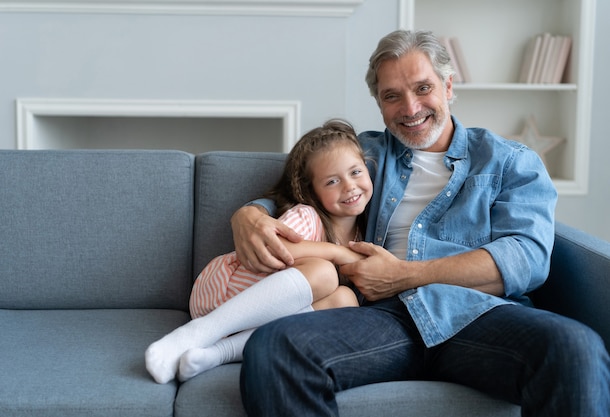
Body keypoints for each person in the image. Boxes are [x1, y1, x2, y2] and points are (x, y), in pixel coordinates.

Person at [232, 30, 610, 416]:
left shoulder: (509, 161)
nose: (410, 108)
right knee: (274, 348)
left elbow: (525, 259)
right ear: (379, 104)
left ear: (448, 86)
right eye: (392, 96)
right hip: (381, 320)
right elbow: (303, 189)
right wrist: (249, 215)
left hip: (478, 315)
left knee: (575, 349)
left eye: (423, 88)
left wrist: (404, 275)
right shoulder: (368, 155)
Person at [145, 119, 372, 384]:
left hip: (263, 319)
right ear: (311, 192)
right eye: (332, 181)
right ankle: (197, 333)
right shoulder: (307, 216)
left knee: (345, 301)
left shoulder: (364, 235)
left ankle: (216, 353)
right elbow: (275, 247)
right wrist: (335, 253)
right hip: (225, 291)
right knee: (324, 272)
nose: (349, 186)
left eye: (355, 172)